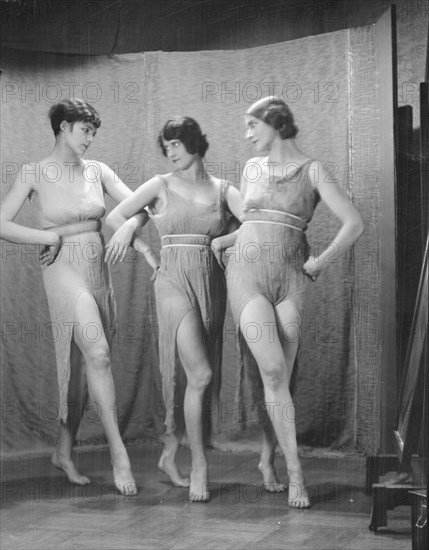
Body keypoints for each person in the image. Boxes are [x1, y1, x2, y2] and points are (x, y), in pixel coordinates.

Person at [0, 98, 158, 495]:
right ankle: (118, 453)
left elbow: (147, 203)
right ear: (63, 127)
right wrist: (46, 236)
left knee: (86, 364)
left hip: (96, 266)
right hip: (60, 267)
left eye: (94, 132)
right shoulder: (34, 172)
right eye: (85, 130)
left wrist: (126, 229)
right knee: (98, 353)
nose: (90, 138)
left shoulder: (98, 171)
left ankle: (63, 452)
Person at [222, 96, 365, 508]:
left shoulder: (313, 169)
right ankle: (297, 473)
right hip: (246, 273)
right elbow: (252, 223)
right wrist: (223, 240)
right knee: (270, 369)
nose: (247, 134)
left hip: (291, 278)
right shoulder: (251, 168)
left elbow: (354, 222)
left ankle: (268, 458)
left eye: (252, 125)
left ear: (275, 122)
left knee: (279, 377)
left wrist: (321, 261)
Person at [105, 116, 242, 502]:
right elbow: (115, 216)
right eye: (166, 146)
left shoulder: (224, 189)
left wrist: (225, 239)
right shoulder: (160, 184)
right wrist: (142, 238)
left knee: (193, 379)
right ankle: (199, 464)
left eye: (176, 143)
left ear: (195, 142)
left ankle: (169, 453)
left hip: (211, 281)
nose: (171, 151)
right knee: (200, 374)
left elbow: (258, 223)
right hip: (172, 281)